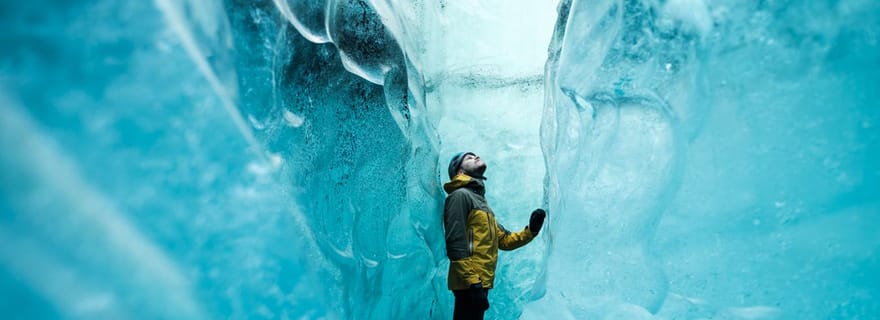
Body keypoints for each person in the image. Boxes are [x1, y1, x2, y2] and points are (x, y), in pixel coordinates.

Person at [442, 151, 546, 320]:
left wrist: (531, 231)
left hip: (480, 281)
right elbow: (456, 242)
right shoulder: (460, 196)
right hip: (469, 281)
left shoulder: (482, 204)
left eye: (475, 155)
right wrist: (472, 282)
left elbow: (504, 240)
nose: (475, 156)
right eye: (468, 158)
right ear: (460, 172)